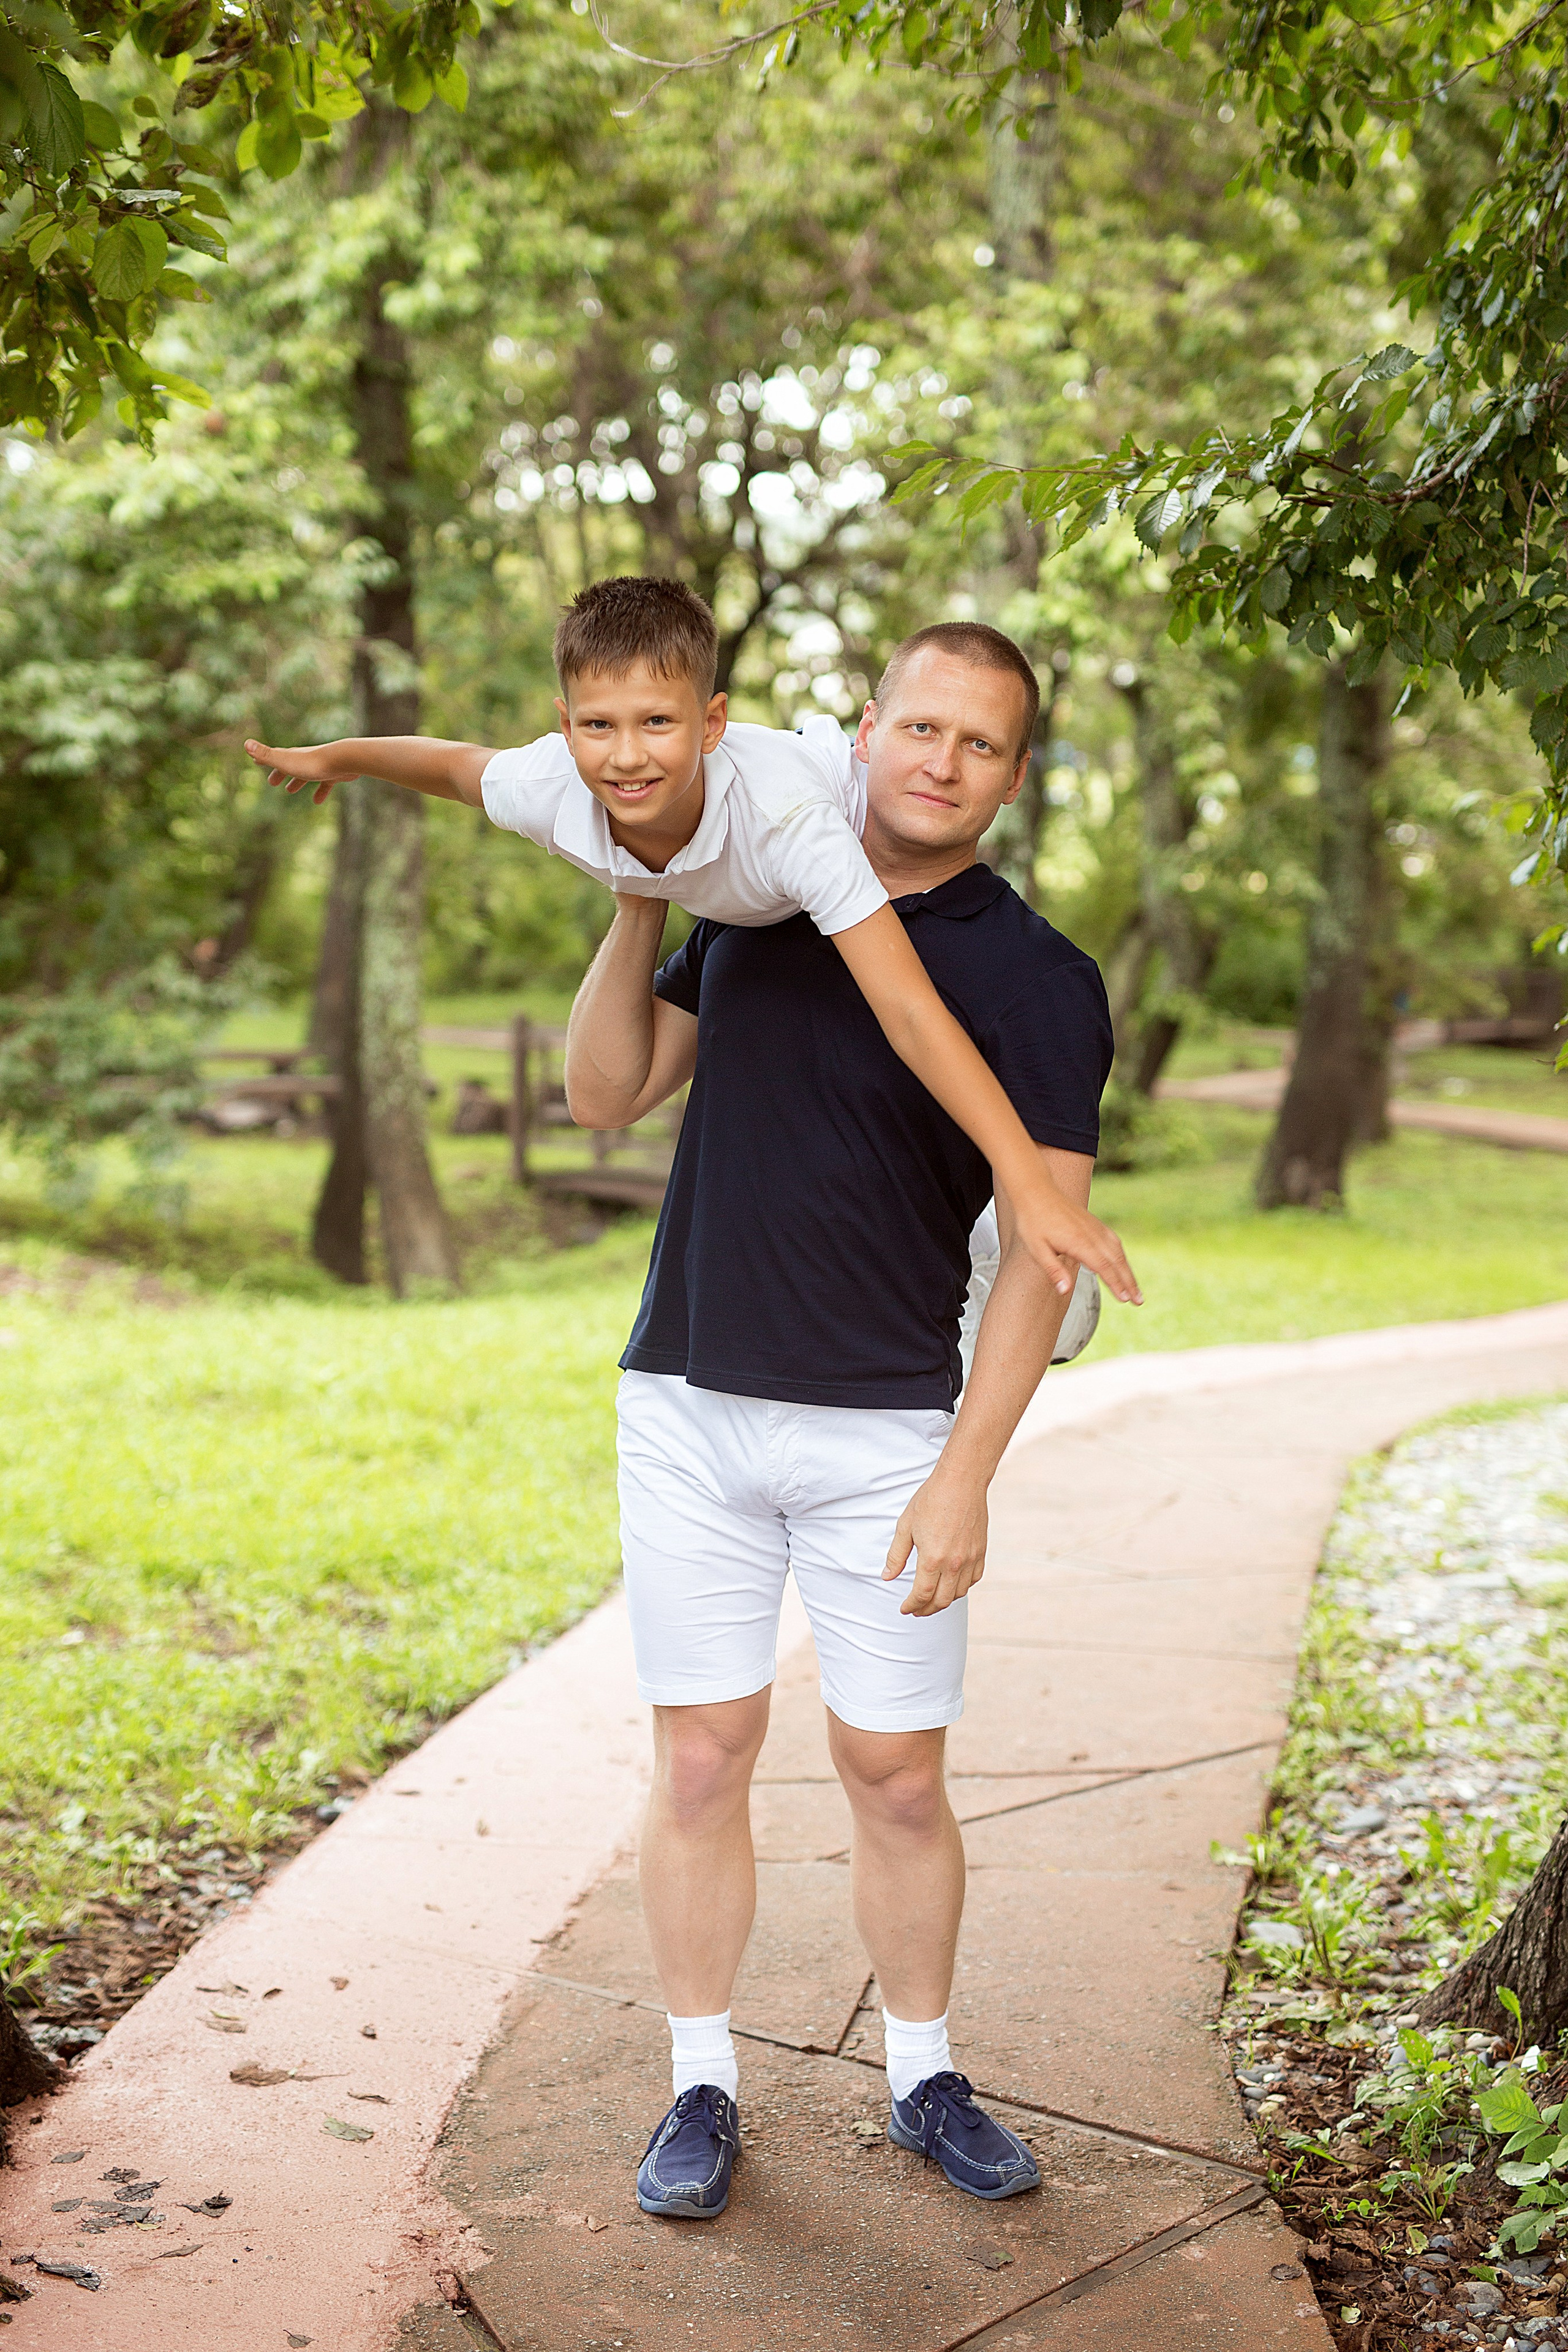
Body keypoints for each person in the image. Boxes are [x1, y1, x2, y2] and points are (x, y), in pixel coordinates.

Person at [565, 620, 1115, 2219]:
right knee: (698, 1761)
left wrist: (969, 1477)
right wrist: (634, 895)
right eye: (920, 727)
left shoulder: (1041, 980)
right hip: (687, 1408)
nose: (942, 761)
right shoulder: (748, 898)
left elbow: (1038, 1252)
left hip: (889, 1434)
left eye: (983, 743)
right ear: (863, 730)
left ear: (1014, 778)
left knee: (890, 1771)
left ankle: (924, 2072)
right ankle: (699, 2084)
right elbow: (605, 1093)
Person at [243, 576, 1137, 1311]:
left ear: (709, 726)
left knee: (910, 1037)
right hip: (746, 860)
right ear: (567, 727)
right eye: (599, 727)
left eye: (658, 725)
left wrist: (1028, 1180)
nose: (627, 755)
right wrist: (342, 757)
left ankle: (992, 1236)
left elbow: (907, 1008)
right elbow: (451, 766)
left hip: (842, 804)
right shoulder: (554, 786)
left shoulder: (798, 824)